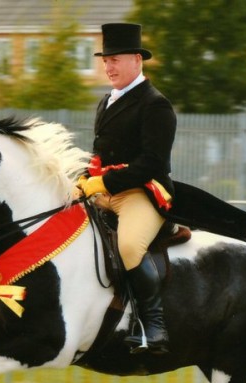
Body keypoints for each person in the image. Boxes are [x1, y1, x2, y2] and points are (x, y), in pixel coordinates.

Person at [78, 23, 176, 355]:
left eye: (116, 59)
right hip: (105, 190)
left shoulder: (155, 105)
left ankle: (154, 327)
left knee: (131, 246)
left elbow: (151, 163)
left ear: (137, 60)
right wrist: (84, 177)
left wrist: (102, 182)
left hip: (142, 193)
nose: (109, 67)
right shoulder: (106, 101)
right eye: (105, 60)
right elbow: (100, 154)